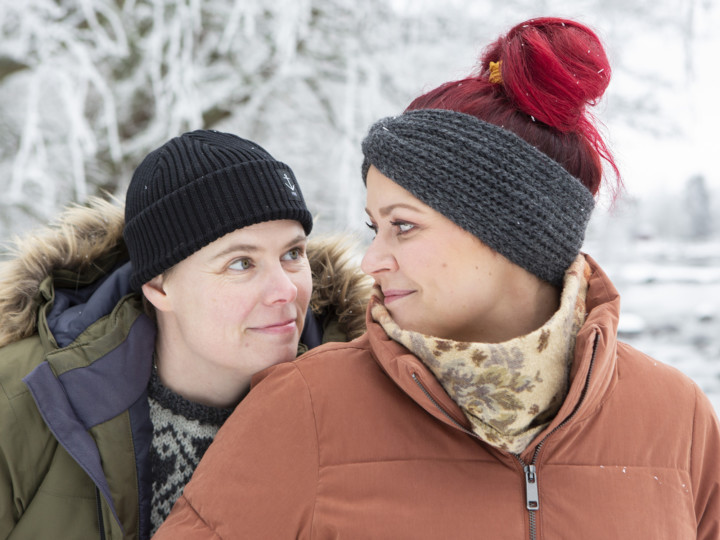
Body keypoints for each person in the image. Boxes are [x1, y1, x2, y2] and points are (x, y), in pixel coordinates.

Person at [155, 19, 720, 539]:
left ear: (513, 229)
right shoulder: (303, 407)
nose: (370, 260)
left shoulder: (678, 417)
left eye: (403, 226)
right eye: (374, 226)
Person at [0, 130, 370, 539]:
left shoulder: (366, 411)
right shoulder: (24, 399)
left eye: (292, 254)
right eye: (241, 263)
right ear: (159, 288)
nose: (285, 289)